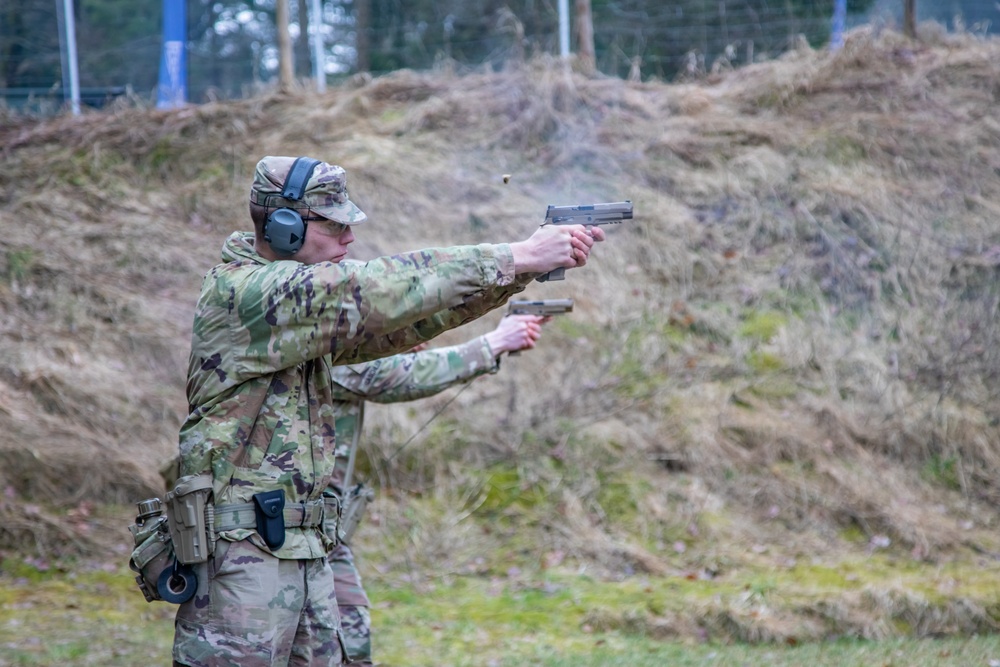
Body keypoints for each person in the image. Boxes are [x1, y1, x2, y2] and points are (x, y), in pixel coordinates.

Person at [170, 155, 603, 667]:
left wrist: (520, 271)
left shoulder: (301, 315)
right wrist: (515, 254)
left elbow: (406, 321)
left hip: (304, 548)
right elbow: (371, 289)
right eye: (335, 225)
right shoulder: (248, 293)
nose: (349, 237)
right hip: (243, 560)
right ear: (284, 228)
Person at [326, 313, 549, 666]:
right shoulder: (312, 352)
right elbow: (396, 375)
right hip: (291, 540)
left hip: (321, 537)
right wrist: (494, 342)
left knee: (350, 647)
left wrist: (390, 344)